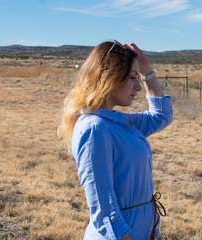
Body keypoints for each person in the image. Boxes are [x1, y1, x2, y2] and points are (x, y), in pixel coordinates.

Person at [58, 40, 173, 240]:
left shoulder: (119, 122)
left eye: (139, 78)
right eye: (132, 77)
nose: (138, 86)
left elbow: (161, 116)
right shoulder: (96, 129)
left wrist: (147, 70)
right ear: (108, 76)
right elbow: (104, 210)